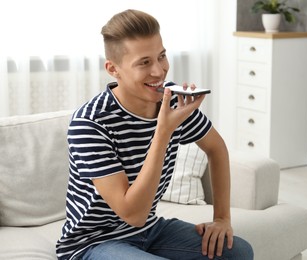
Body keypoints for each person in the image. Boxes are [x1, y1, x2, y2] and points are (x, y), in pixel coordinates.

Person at [56, 9, 253, 260]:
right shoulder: (90, 123)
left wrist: (222, 218)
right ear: (113, 69)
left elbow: (216, 148)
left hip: (150, 230)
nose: (159, 71)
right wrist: (163, 131)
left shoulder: (172, 101)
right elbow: (133, 214)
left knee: (238, 252)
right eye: (144, 62)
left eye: (161, 56)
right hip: (92, 243)